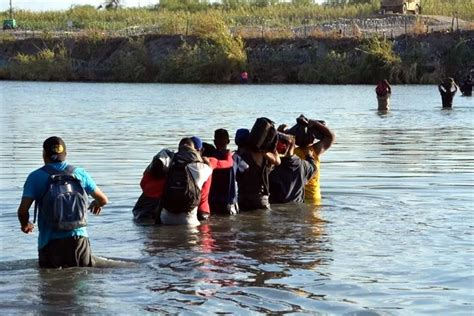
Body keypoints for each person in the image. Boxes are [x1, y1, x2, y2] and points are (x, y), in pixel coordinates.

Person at [17, 136, 108, 268]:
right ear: (65, 154)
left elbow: (22, 211)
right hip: (79, 239)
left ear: (44, 154)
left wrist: (25, 224)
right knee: (81, 285)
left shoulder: (35, 177)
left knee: (51, 285)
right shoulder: (79, 173)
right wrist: (96, 204)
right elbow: (103, 199)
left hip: (50, 242)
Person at [159, 137, 212, 226]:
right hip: (188, 221)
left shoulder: (167, 165)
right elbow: (210, 169)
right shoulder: (199, 169)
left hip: (166, 219)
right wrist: (205, 161)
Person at [285, 117, 335, 205]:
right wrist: (315, 123)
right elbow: (330, 136)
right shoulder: (314, 150)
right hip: (313, 197)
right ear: (313, 137)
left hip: (296, 197)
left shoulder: (290, 152)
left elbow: (277, 143)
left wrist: (281, 130)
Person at [236, 120, 281, 211]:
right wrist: (273, 148)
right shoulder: (258, 153)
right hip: (259, 198)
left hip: (242, 197)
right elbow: (277, 161)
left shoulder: (234, 156)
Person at [191, 135, 233, 220]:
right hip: (203, 209)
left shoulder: (179, 162)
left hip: (188, 209)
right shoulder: (210, 161)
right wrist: (229, 154)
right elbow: (229, 163)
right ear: (202, 150)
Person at [269, 133, 316, 204]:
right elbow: (314, 169)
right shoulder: (303, 165)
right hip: (297, 208)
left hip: (276, 209)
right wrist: (309, 156)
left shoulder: (272, 166)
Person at [132, 149, 174, 222]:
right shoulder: (169, 177)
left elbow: (142, 184)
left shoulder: (149, 174)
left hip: (145, 202)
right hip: (158, 204)